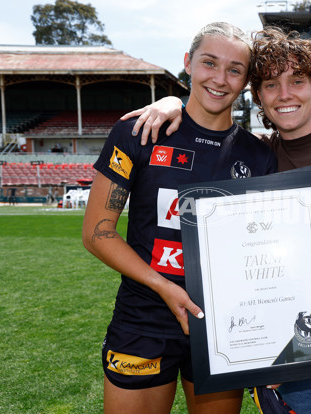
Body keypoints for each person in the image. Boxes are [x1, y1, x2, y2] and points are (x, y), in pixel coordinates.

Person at [122, 27, 311, 414]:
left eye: (297, 81)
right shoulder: (256, 158)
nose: (284, 94)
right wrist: (170, 102)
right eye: (270, 85)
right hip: (294, 350)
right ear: (259, 97)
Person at [82, 22, 277, 414]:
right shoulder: (138, 131)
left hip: (223, 327)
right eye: (209, 63)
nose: (220, 79)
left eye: (235, 70)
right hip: (144, 318)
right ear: (188, 63)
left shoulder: (260, 156)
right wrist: (164, 287)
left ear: (245, 82)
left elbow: (264, 251)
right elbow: (97, 233)